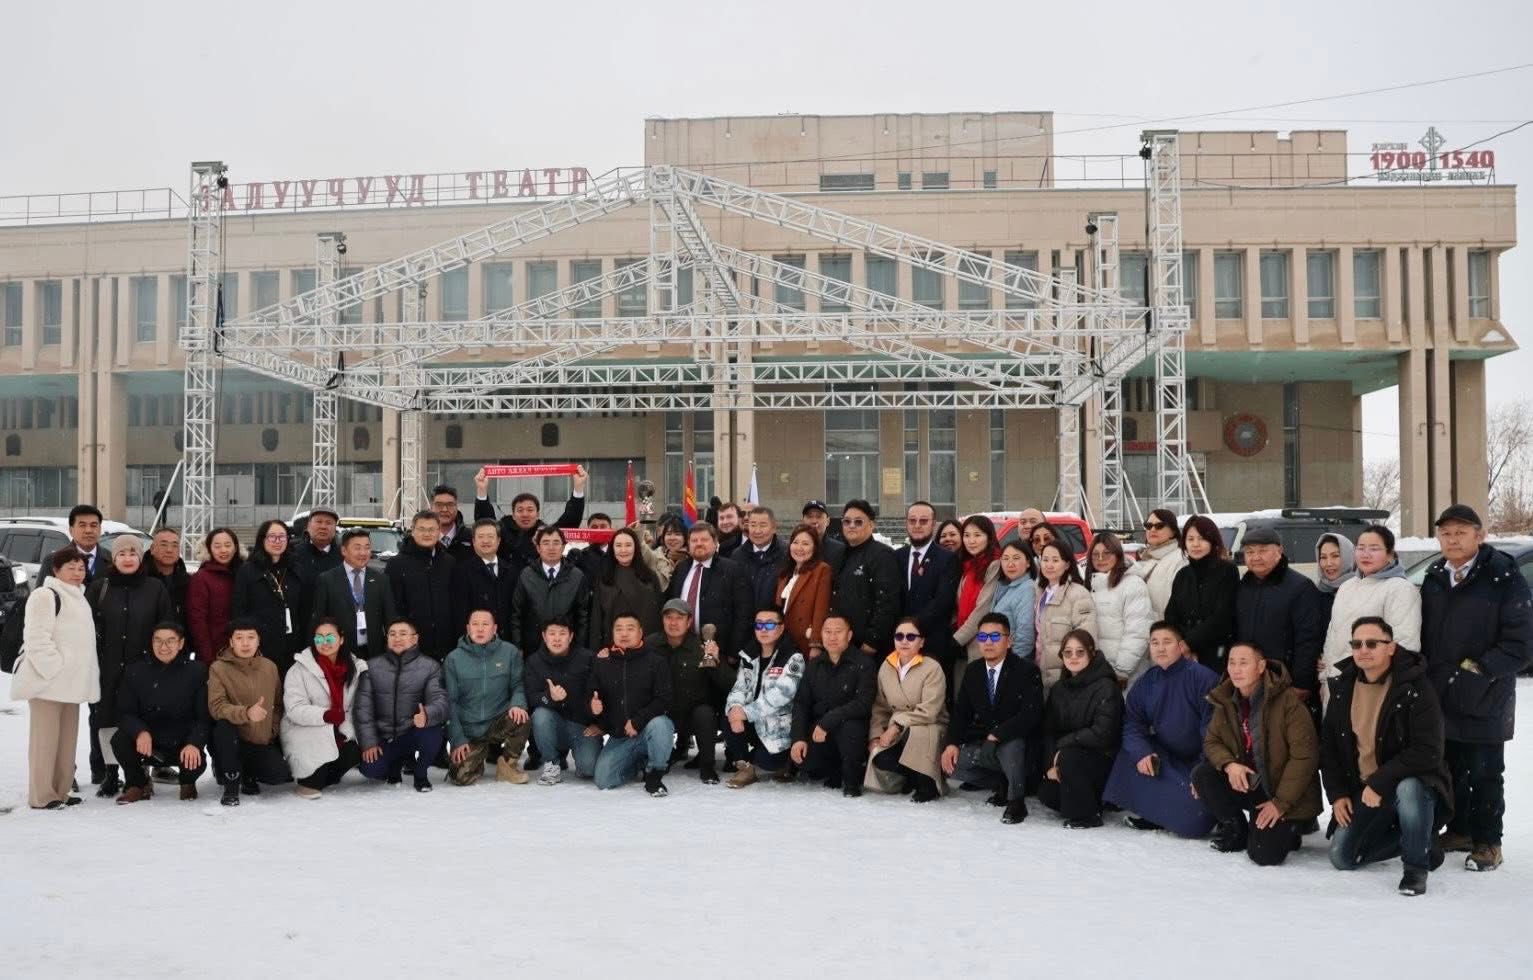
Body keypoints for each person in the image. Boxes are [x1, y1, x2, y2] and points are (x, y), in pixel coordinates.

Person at [1418, 504, 1532, 872]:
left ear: (1479, 536)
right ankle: (1460, 831)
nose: (1452, 540)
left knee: (1485, 772)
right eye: (1446, 533)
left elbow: (1520, 644)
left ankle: (1488, 843)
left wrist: (1478, 670)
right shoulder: (1436, 577)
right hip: (1441, 691)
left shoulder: (1503, 577)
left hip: (1486, 693)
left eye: (1461, 532)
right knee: (1450, 769)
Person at [1323, 617, 1453, 896]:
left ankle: (1415, 868)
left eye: (1372, 643)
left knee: (1409, 788)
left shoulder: (1415, 687)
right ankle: (1422, 841)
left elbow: (1428, 751)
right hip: (1365, 789)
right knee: (1341, 857)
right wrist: (1337, 794)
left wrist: (1380, 781)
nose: (1363, 650)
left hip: (1410, 784)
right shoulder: (1343, 687)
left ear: (1391, 647)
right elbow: (1330, 747)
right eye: (1357, 644)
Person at [1193, 641, 1322, 865]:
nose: (1236, 669)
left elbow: (1305, 757)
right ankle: (1236, 829)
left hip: (1283, 791)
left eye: (1243, 663)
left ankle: (1292, 827)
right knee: (1203, 774)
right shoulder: (1227, 698)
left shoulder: (1288, 702)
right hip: (1252, 783)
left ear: (1261, 666)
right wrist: (1230, 765)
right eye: (1232, 663)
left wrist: (1280, 803)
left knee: (1264, 855)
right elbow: (1212, 741)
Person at [1103, 621, 1219, 837]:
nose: (1160, 648)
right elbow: (1132, 722)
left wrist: (1203, 770)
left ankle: (1177, 811)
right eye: (1155, 643)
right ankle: (1154, 814)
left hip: (1200, 761)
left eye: (1167, 642)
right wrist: (1142, 753)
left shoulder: (1203, 678)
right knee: (1131, 752)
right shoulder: (1147, 681)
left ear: (1181, 646)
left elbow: (1214, 730)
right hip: (1166, 756)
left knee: (1197, 819)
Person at [85, 535, 175, 797]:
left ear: (140, 557)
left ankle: (138, 774)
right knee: (106, 719)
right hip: (107, 667)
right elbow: (88, 627)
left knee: (140, 720)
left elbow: (166, 625)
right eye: (122, 554)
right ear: (113, 559)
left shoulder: (155, 588)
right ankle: (110, 774)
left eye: (133, 553)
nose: (128, 559)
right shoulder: (100, 588)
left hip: (143, 668)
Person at [11, 548, 97, 809]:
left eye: (81, 568)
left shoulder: (79, 597)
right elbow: (36, 638)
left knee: (66, 743)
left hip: (71, 685)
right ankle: (42, 795)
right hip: (48, 683)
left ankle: (61, 790)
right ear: (56, 570)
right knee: (45, 743)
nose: (77, 573)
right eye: (71, 568)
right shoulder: (45, 595)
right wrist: (54, 669)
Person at [941, 612, 1044, 824]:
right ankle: (1001, 782)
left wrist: (997, 735)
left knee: (1012, 746)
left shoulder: (1026, 670)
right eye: (983, 637)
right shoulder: (973, 671)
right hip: (988, 744)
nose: (988, 642)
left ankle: (1016, 800)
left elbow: (1031, 715)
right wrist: (951, 743)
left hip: (1019, 743)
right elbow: (962, 712)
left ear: (1009, 641)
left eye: (995, 636)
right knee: (953, 764)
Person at [110, 621, 209, 803]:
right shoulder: (135, 671)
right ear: (151, 642)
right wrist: (140, 731)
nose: (164, 647)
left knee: (196, 758)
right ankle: (137, 784)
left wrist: (194, 743)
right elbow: (124, 712)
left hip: (181, 742)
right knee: (119, 740)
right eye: (158, 640)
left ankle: (187, 782)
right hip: (148, 745)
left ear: (181, 643)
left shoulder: (196, 671)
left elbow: (203, 717)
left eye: (170, 641)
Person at [1038, 630, 1123, 828]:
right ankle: (1088, 800)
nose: (1073, 657)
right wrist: (1051, 765)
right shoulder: (1059, 689)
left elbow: (1103, 734)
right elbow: (1049, 730)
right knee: (1047, 793)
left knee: (1070, 758)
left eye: (1080, 652)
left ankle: (1088, 815)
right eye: (1068, 652)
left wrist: (1063, 747)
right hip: (1068, 758)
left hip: (1103, 759)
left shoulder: (1106, 687)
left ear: (1091, 653)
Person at [355, 618, 450, 793]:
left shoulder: (430, 666)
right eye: (392, 634)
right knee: (371, 770)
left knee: (433, 731)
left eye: (403, 634)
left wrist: (427, 714)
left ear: (415, 638)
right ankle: (395, 763)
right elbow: (363, 709)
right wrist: (369, 742)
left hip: (412, 732)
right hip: (385, 736)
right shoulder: (372, 667)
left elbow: (441, 701)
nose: (397, 638)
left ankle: (420, 773)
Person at [1321, 526, 1421, 692]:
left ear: (1390, 554)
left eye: (1374, 549)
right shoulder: (1346, 586)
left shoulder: (1400, 589)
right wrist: (1325, 677)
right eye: (1361, 548)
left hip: (1373, 686)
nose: (1365, 554)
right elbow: (1333, 635)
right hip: (1337, 684)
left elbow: (1405, 645)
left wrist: (1385, 687)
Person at [1233, 526, 1324, 705]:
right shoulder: (1243, 587)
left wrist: (1302, 682)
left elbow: (1308, 638)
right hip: (1248, 679)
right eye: (1249, 552)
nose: (1255, 557)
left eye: (1262, 551)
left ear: (1279, 551)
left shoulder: (1300, 587)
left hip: (1284, 679)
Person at [588, 613, 675, 796]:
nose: (624, 633)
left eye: (630, 628)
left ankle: (654, 773)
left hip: (648, 729)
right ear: (612, 633)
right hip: (621, 736)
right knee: (603, 780)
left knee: (661, 724)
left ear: (640, 632)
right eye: (619, 629)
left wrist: (638, 721)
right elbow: (592, 694)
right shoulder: (603, 662)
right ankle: (640, 763)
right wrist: (594, 707)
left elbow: (664, 699)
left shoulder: (656, 660)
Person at [789, 612, 876, 796]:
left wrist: (828, 721)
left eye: (838, 632)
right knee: (804, 761)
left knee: (850, 729)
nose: (832, 637)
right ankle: (833, 769)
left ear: (849, 635)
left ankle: (852, 781)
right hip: (821, 729)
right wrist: (798, 738)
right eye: (827, 632)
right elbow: (801, 703)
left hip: (851, 727)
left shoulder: (864, 663)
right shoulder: (814, 665)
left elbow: (863, 703)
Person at [208, 618, 291, 806]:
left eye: (251, 637)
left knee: (279, 774)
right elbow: (217, 706)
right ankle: (230, 782)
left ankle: (247, 774)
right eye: (239, 638)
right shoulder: (218, 668)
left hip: (260, 740)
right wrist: (246, 713)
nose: (245, 643)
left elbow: (278, 704)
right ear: (231, 642)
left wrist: (272, 729)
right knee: (223, 727)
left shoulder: (270, 667)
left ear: (258, 640)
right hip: (232, 740)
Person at [864, 615, 948, 802]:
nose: (904, 641)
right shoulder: (886, 666)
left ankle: (926, 784)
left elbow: (929, 711)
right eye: (899, 636)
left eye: (911, 637)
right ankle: (910, 777)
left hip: (929, 726)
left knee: (916, 734)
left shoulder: (932, 668)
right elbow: (880, 707)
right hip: (897, 730)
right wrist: (876, 736)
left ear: (921, 642)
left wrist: (897, 726)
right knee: (881, 757)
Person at [281, 617, 367, 799]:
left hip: (339, 729)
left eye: (330, 638)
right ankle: (311, 778)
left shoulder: (354, 668)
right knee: (312, 782)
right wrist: (325, 715)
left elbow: (355, 708)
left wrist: (344, 727)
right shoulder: (299, 669)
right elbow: (294, 709)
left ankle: (326, 774)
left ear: (341, 639)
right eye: (319, 638)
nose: (324, 643)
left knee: (354, 750)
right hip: (304, 730)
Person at [444, 608, 531, 786]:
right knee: (460, 777)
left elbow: (517, 685)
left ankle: (507, 765)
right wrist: (457, 739)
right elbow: (450, 703)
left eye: (485, 624)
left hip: (497, 721)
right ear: (468, 628)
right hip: (469, 729)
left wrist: (517, 704)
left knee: (521, 718)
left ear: (495, 628)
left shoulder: (509, 652)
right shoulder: (453, 659)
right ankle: (478, 757)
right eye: (475, 624)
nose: (480, 629)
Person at [651, 599, 735, 784]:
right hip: (661, 711)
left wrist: (716, 661)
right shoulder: (651, 644)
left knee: (705, 713)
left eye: (679, 618)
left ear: (689, 621)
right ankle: (656, 762)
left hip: (692, 711)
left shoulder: (701, 647)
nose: (673, 623)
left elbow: (729, 683)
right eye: (669, 617)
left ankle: (707, 766)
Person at [722, 607, 806, 787]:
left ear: (781, 628)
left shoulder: (793, 657)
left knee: (767, 761)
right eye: (759, 625)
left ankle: (784, 761)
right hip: (753, 721)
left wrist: (746, 712)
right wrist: (735, 708)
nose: (763, 630)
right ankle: (745, 768)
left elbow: (782, 694)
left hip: (779, 727)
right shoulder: (749, 655)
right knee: (729, 716)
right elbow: (739, 687)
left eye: (769, 625)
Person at [472, 464, 588, 582]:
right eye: (520, 510)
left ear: (538, 514)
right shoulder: (502, 532)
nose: (525, 514)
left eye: (530, 510)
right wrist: (482, 490)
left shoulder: (544, 533)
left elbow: (570, 521)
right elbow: (484, 523)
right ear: (513, 515)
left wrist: (578, 488)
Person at [524, 616, 602, 784]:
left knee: (588, 769)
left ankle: (582, 756)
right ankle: (552, 763)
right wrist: (549, 697)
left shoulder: (588, 658)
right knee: (540, 715)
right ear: (544, 636)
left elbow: (603, 693)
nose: (557, 638)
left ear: (571, 636)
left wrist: (600, 723)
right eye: (552, 633)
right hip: (554, 725)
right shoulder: (534, 662)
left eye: (562, 633)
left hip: (583, 727)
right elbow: (531, 696)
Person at [664, 521, 753, 659]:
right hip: (681, 648)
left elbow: (743, 613)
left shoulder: (732, 570)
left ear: (715, 543)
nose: (699, 544)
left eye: (704, 539)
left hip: (719, 651)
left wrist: (733, 651)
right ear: (688, 544)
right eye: (694, 540)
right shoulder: (681, 569)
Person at [231, 518, 307, 676]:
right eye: (272, 537)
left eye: (282, 537)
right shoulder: (248, 570)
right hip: (261, 645)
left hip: (291, 644)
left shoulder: (295, 568)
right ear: (262, 539)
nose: (277, 541)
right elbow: (239, 609)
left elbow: (303, 608)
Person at [1164, 514, 1239, 672]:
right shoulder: (1182, 575)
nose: (1196, 544)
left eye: (1202, 539)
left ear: (1213, 541)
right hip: (1183, 655)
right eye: (1190, 539)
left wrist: (1190, 643)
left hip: (1217, 654)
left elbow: (1223, 616)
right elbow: (1171, 615)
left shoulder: (1227, 571)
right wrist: (1182, 644)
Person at [309, 527, 396, 661]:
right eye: (357, 548)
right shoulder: (327, 579)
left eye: (367, 547)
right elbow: (319, 619)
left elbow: (390, 618)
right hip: (340, 653)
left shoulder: (380, 579)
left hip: (374, 653)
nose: (363, 552)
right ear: (344, 550)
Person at [831, 499, 902, 658]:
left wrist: (872, 641)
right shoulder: (838, 555)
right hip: (841, 643)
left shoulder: (882, 555)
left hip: (868, 648)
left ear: (871, 525)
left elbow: (887, 602)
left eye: (858, 522)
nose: (851, 526)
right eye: (847, 521)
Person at [385, 510, 459, 660]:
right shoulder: (396, 564)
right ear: (412, 531)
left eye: (431, 529)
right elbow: (392, 606)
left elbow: (455, 602)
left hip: (446, 645)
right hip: (411, 646)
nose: (427, 534)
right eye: (422, 529)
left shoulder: (449, 562)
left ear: (439, 531)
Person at [510, 526, 592, 653]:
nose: (551, 548)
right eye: (546, 543)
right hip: (533, 649)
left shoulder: (576, 576)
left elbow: (583, 617)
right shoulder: (526, 575)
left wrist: (579, 649)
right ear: (538, 548)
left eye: (556, 543)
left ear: (563, 547)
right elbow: (516, 615)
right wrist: (518, 647)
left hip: (568, 649)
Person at [895, 502, 958, 665]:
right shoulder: (896, 557)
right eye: (912, 520)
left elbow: (943, 601)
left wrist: (912, 628)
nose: (917, 525)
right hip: (900, 643)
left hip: (933, 645)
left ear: (933, 524)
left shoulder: (947, 559)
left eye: (923, 521)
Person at [1089, 532, 1153, 687]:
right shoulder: (1093, 585)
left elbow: (1138, 632)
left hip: (1124, 676)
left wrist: (1122, 671)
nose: (1100, 558)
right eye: (1095, 554)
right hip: (1099, 672)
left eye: (1106, 553)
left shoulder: (1132, 584)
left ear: (1118, 554)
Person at [1033, 541, 1097, 690]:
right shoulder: (1040, 592)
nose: (1049, 565)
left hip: (1067, 676)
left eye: (1055, 560)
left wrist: (1076, 676)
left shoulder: (1078, 594)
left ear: (1067, 564)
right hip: (1042, 670)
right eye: (1045, 560)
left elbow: (1087, 638)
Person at [448, 518, 517, 641]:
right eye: (480, 537)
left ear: (498, 541)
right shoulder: (462, 572)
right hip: (475, 642)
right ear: (473, 542)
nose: (485, 541)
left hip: (507, 642)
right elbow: (459, 614)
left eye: (490, 536)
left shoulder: (511, 571)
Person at [591, 526, 664, 641]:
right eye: (618, 545)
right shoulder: (605, 578)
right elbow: (597, 617)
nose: (623, 550)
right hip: (613, 644)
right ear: (612, 549)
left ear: (636, 548)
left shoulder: (649, 576)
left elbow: (658, 613)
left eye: (628, 545)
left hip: (646, 643)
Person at [952, 515, 1004, 665]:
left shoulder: (995, 564)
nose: (971, 541)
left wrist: (958, 639)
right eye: (967, 535)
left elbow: (983, 608)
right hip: (965, 639)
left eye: (977, 535)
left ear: (989, 537)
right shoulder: (969, 566)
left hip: (982, 641)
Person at [187, 527, 241, 666]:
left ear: (235, 547)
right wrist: (208, 658)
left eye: (228, 545)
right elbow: (197, 620)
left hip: (244, 649)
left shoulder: (244, 574)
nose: (223, 550)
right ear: (209, 549)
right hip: (215, 653)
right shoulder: (201, 578)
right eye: (217, 546)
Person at [777, 525, 833, 657]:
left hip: (805, 641)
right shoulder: (786, 572)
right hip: (785, 640)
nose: (799, 548)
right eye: (795, 542)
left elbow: (821, 609)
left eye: (805, 544)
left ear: (815, 547)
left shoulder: (821, 569)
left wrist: (816, 644)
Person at [32, 504, 110, 588]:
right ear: (71, 530)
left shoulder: (112, 559)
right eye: (82, 525)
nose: (88, 530)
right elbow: (42, 593)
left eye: (93, 525)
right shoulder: (53, 560)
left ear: (100, 529)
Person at [1128, 509, 1187, 620]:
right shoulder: (1147, 559)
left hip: (1166, 627)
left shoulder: (1180, 559)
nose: (1153, 529)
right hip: (1143, 627)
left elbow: (1181, 604)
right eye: (1148, 526)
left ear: (1173, 531)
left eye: (1159, 526)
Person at [989, 542, 1036, 660]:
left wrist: (1012, 663)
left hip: (1014, 659)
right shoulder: (1004, 586)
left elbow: (1026, 634)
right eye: (1005, 559)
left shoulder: (1027, 589)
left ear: (1028, 562)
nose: (1010, 564)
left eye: (1016, 558)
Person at [735, 506, 786, 611]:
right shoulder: (737, 555)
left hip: (774, 618)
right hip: (744, 617)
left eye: (763, 525)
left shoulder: (786, 554)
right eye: (753, 525)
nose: (757, 531)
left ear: (774, 528)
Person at [1313, 532, 1357, 645]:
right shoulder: (1314, 594)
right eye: (1323, 557)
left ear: (1348, 556)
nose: (1328, 563)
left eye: (1335, 556)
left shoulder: (1363, 592)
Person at [145, 528, 191, 633]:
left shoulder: (189, 582)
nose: (169, 550)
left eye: (175, 545)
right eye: (163, 544)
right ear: (152, 549)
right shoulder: (141, 581)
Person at [291, 507, 343, 581]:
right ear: (308, 526)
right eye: (319, 522)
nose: (323, 527)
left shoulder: (345, 556)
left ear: (335, 528)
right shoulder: (294, 554)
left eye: (328, 523)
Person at [431, 484, 476, 560]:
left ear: (457, 506)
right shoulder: (421, 538)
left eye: (450, 505)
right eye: (439, 505)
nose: (445, 509)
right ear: (431, 507)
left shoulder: (471, 537)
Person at [801, 500, 845, 568]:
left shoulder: (839, 550)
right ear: (803, 521)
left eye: (819, 516)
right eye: (810, 517)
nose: (814, 521)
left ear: (828, 521)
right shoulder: (794, 549)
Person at [652, 515, 689, 590]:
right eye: (668, 534)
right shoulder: (655, 556)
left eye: (677, 534)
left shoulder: (694, 559)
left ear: (685, 538)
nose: (672, 538)